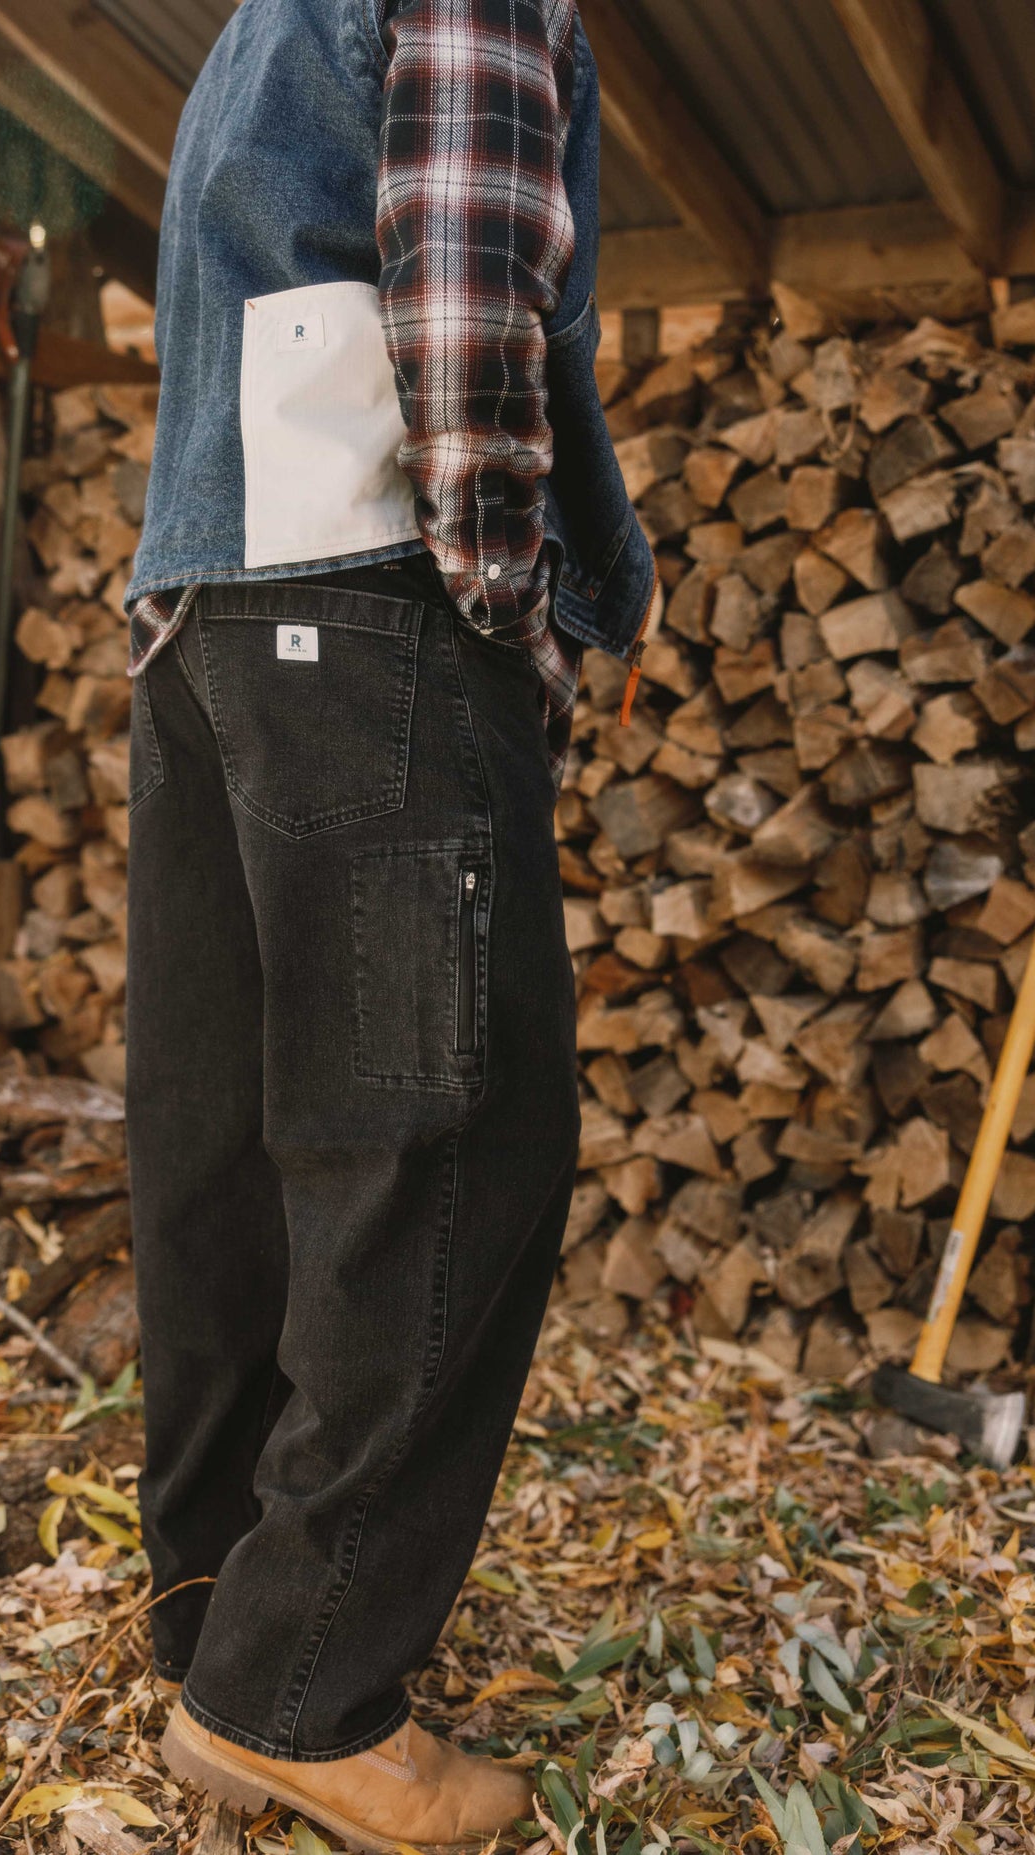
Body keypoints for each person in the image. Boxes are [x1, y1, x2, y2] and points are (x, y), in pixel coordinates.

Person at [122, 0, 655, 1843]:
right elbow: (460, 296)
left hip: (209, 622)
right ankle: (303, 1692)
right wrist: (513, 604)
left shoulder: (266, 28)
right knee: (446, 1148)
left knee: (232, 1146)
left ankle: (216, 1611)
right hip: (372, 622)